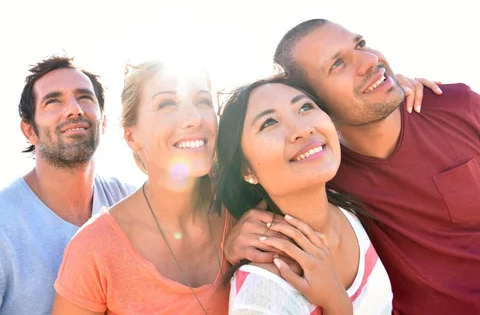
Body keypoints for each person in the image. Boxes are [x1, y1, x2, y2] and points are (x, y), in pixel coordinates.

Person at [229, 19, 480, 314]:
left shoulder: (454, 105)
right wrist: (234, 239)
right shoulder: (325, 173)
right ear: (318, 101)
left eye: (360, 45)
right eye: (337, 64)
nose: (370, 61)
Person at [0, 55, 135, 315]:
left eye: (85, 97)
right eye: (53, 101)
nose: (74, 109)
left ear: (104, 120)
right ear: (30, 130)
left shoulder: (130, 204)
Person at [52, 61, 231, 315]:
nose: (194, 118)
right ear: (132, 136)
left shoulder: (242, 214)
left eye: (203, 101)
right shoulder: (94, 250)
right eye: (167, 104)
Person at [215, 75, 393, 314]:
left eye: (305, 107)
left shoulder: (348, 208)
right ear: (246, 169)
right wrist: (337, 304)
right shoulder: (263, 294)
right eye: (269, 123)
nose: (302, 129)